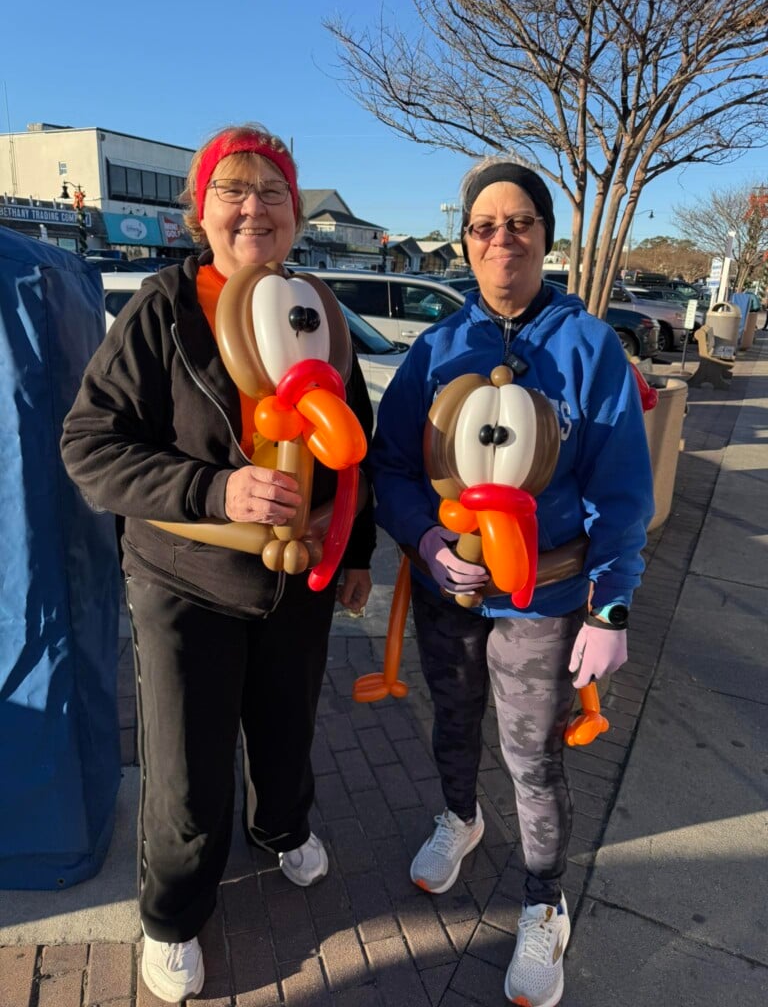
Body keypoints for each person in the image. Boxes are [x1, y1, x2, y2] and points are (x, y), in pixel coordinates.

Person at [60, 124, 375, 1004]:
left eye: (271, 190)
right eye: (231, 191)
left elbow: (355, 444)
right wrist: (213, 491)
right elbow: (89, 446)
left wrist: (356, 547)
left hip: (298, 580)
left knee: (287, 733)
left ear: (295, 213)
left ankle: (282, 830)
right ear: (200, 212)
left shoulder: (317, 305)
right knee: (188, 770)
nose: (253, 207)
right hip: (185, 583)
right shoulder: (162, 307)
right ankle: (172, 913)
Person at [370, 159, 654, 1007]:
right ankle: (459, 817)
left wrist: (611, 605)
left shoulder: (589, 346)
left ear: (543, 236)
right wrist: (421, 538)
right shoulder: (435, 347)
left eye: (520, 221)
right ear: (466, 241)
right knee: (453, 722)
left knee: (532, 757)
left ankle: (543, 902)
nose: (503, 238)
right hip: (450, 589)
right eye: (485, 225)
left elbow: (622, 493)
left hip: (548, 596)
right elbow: (391, 467)